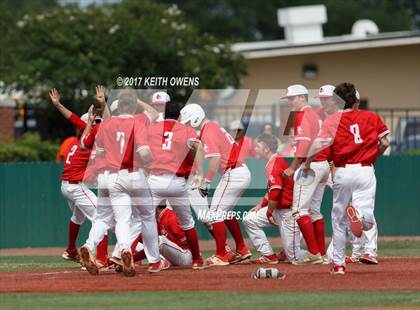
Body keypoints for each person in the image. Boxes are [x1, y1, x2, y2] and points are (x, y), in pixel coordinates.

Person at [302, 82, 389, 275]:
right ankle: (361, 217)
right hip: (365, 169)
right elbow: (384, 142)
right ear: (356, 99)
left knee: (338, 220)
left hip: (342, 170)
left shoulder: (332, 120)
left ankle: (339, 265)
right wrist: (373, 156)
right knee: (366, 214)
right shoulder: (371, 116)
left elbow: (319, 144)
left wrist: (307, 161)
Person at [80, 90, 161, 277]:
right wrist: (151, 160)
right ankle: (150, 259)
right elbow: (144, 151)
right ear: (133, 106)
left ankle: (89, 245)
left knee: (104, 218)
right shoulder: (139, 121)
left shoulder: (106, 124)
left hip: (109, 176)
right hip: (133, 174)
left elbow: (95, 150)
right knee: (146, 216)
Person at [180, 103, 251, 266]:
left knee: (214, 214)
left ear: (196, 118)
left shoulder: (208, 130)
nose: (189, 125)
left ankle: (221, 255)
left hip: (234, 173)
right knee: (224, 213)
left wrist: (207, 181)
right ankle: (242, 249)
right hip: (238, 171)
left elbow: (216, 157)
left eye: (189, 122)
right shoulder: (212, 127)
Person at [49, 87, 109, 268]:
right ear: (90, 123)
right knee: (102, 218)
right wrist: (103, 104)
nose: (99, 122)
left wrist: (58, 104)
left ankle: (70, 250)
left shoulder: (78, 139)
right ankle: (99, 258)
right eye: (97, 120)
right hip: (76, 186)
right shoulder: (94, 135)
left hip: (66, 186)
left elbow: (72, 117)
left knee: (78, 216)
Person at [145, 101, 207, 269]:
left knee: (146, 220)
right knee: (187, 223)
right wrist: (200, 174)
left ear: (164, 114)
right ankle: (197, 260)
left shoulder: (153, 128)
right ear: (179, 115)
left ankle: (153, 262)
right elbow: (199, 147)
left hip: (155, 179)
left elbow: (143, 150)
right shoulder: (186, 130)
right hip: (177, 181)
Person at [282, 84, 330, 265]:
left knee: (299, 210)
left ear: (303, 97)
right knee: (314, 212)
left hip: (311, 166)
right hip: (323, 164)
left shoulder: (302, 115)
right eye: (288, 99)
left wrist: (293, 167)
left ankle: (314, 253)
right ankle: (322, 254)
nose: (289, 102)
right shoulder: (315, 115)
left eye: (292, 98)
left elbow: (303, 145)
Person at [243, 133, 305, 264]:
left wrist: (269, 211)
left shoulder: (274, 163)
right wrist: (261, 205)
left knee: (295, 258)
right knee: (249, 219)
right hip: (279, 210)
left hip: (289, 213)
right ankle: (269, 255)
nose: (255, 149)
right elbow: (271, 191)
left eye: (258, 146)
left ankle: (321, 257)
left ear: (266, 149)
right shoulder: (272, 161)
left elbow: (276, 192)